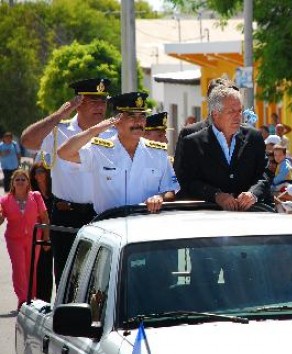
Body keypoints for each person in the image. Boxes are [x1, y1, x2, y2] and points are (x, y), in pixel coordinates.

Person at [20, 77, 113, 285]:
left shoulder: (113, 134)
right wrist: (59, 115)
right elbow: (27, 140)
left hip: (103, 215)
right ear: (78, 104)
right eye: (93, 101)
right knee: (67, 278)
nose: (100, 107)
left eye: (103, 101)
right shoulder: (59, 130)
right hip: (67, 215)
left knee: (103, 280)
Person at [57, 91, 179, 214]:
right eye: (131, 116)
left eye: (142, 116)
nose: (138, 122)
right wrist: (95, 129)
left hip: (146, 225)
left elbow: (170, 190)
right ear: (117, 121)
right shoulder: (99, 149)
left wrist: (160, 198)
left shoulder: (157, 152)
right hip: (109, 226)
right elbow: (63, 153)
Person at [179, 86, 268, 211]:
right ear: (215, 114)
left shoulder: (254, 137)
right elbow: (188, 182)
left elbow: (264, 174)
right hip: (210, 219)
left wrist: (253, 194)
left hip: (248, 218)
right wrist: (216, 195)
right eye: (231, 112)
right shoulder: (193, 143)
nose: (238, 117)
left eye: (240, 111)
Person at [173, 78, 239, 191]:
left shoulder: (247, 134)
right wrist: (214, 195)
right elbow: (181, 176)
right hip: (205, 205)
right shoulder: (190, 134)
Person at [0, 169, 50, 309]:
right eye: (18, 180)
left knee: (31, 268)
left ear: (28, 182)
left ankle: (30, 298)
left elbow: (45, 218)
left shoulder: (36, 196)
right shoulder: (5, 200)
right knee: (19, 268)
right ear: (13, 183)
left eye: (23, 179)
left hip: (34, 238)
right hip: (14, 239)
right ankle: (22, 298)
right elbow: (1, 219)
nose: (20, 182)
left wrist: (46, 237)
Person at [29, 162, 54, 302]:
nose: (38, 174)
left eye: (41, 171)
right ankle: (42, 300)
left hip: (56, 234)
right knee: (43, 270)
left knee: (57, 270)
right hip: (41, 237)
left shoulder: (55, 192)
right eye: (35, 172)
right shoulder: (33, 194)